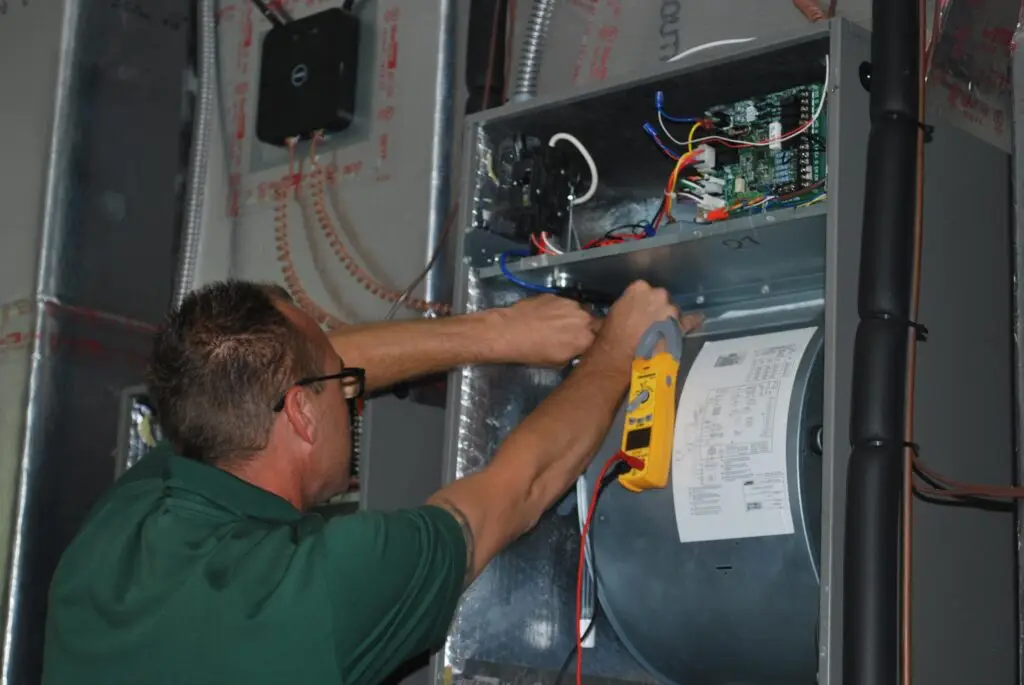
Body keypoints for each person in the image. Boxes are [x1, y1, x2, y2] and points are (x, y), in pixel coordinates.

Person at [41, 278, 699, 685]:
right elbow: (519, 488)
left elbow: (269, 372)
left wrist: (500, 332)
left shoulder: (108, 541)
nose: (352, 395)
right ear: (301, 411)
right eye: (340, 384)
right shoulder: (326, 586)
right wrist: (618, 350)